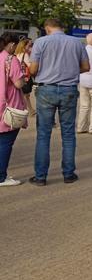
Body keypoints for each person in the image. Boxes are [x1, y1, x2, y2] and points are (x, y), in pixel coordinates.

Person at [29, 18, 90, 186]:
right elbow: (86, 67)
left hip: (46, 89)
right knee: (68, 134)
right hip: (69, 89)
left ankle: (41, 176)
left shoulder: (40, 42)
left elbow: (33, 69)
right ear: (62, 27)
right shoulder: (77, 43)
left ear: (47, 28)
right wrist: (69, 70)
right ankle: (68, 174)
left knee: (43, 135)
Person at [0, 33, 27, 187]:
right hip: (8, 105)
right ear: (11, 44)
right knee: (5, 142)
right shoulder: (11, 59)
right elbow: (18, 84)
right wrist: (23, 77)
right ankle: (1, 176)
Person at [15, 38, 35, 116]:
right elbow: (30, 66)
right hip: (25, 77)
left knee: (25, 95)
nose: (31, 47)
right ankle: (27, 110)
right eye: (29, 45)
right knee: (25, 95)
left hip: (18, 77)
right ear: (24, 46)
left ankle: (30, 110)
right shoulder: (25, 55)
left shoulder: (16, 54)